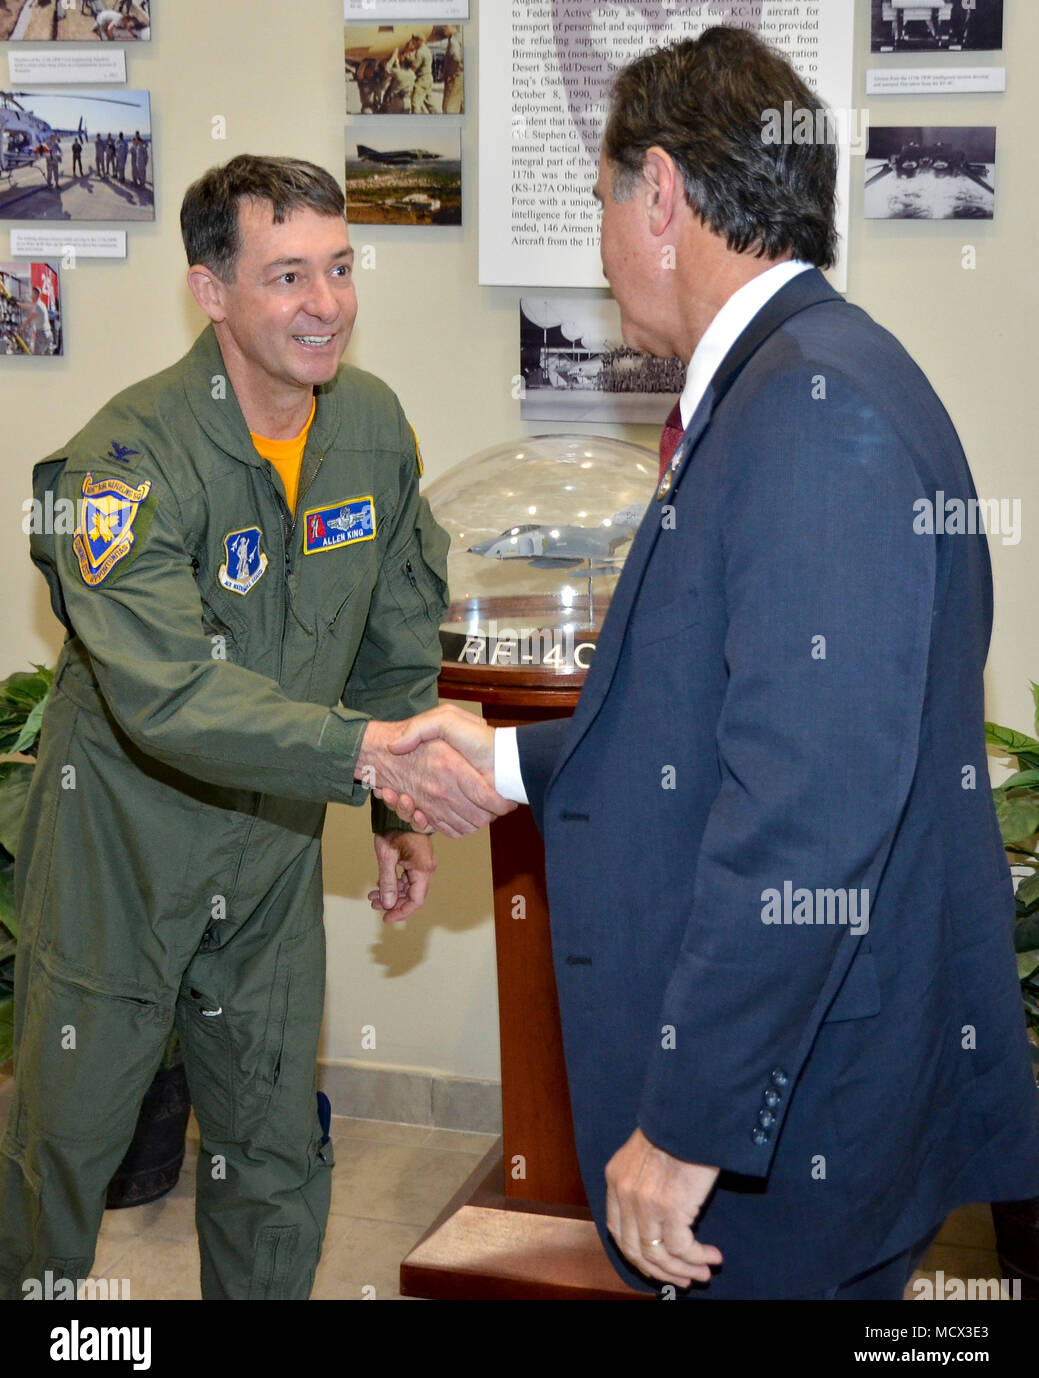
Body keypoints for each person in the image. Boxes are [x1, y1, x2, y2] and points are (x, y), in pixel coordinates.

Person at [378, 27, 1039, 1300]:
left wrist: (692, 1121)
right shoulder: (801, 381)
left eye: (602, 203)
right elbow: (718, 712)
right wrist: (504, 759)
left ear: (663, 193)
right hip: (818, 1092)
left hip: (794, 1127)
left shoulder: (811, 416)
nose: (602, 240)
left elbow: (809, 803)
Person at [0, 153, 512, 1302]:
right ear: (210, 289)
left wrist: (392, 808)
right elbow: (170, 693)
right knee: (63, 1155)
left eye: (337, 268)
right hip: (118, 855)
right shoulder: (126, 461)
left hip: (271, 854)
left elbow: (392, 637)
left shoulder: (371, 428)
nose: (324, 304)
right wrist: (368, 757)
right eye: (286, 275)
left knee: (272, 1149)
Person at [17, 286, 53, 356]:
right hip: (48, 333)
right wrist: (18, 304)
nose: (31, 294)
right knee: (48, 356)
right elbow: (29, 306)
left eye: (32, 293)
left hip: (42, 335)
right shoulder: (41, 304)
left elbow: (29, 319)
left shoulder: (37, 305)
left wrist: (21, 327)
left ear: (36, 294)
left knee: (37, 356)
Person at [407, 35, 435, 115]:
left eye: (414, 42)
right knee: (429, 101)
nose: (413, 44)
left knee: (415, 102)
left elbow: (414, 68)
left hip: (422, 79)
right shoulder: (426, 49)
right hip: (428, 78)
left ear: (418, 41)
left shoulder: (420, 52)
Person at [441, 25, 464, 114]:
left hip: (454, 77)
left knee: (448, 107)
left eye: (446, 26)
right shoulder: (462, 37)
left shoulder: (453, 40)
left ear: (453, 27)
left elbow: (456, 57)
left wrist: (451, 74)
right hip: (462, 75)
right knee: (461, 105)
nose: (443, 29)